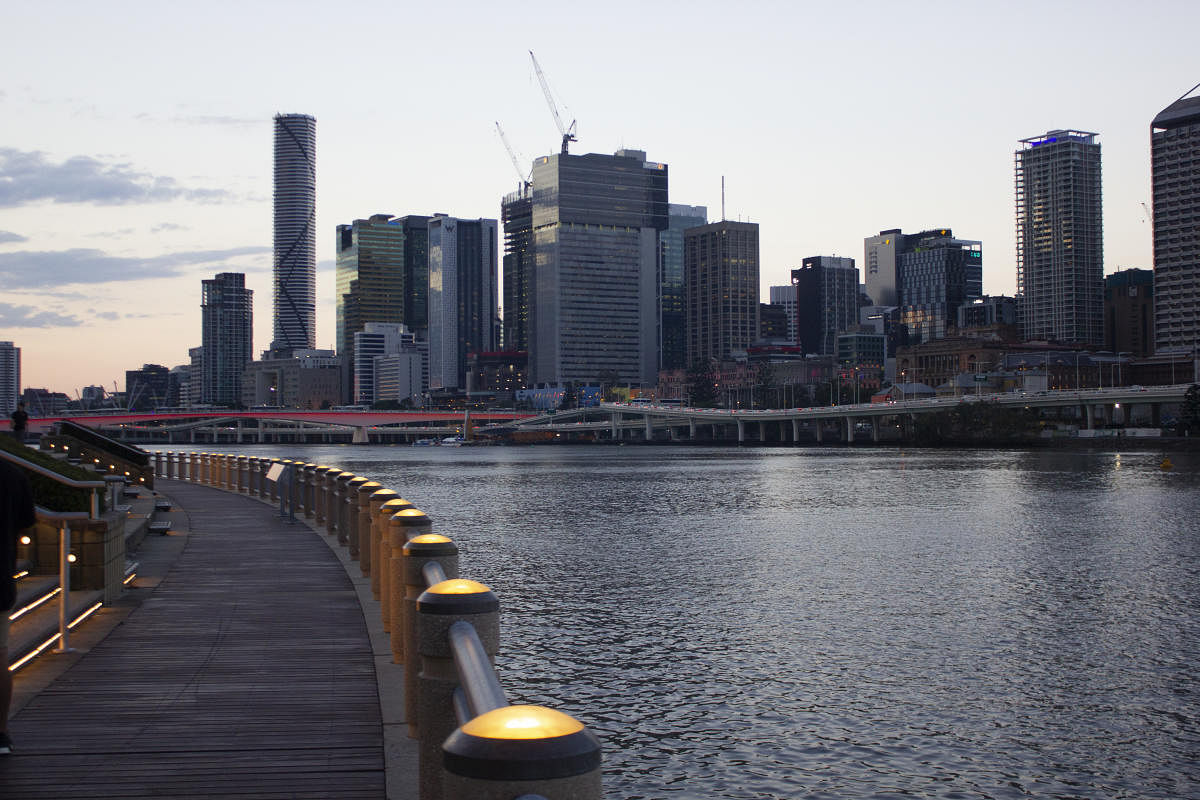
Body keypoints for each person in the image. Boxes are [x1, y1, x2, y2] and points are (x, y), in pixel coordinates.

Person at [0, 458, 36, 755]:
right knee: (0, 656)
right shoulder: (12, 474)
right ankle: (0, 733)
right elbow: (27, 521)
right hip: (0, 578)